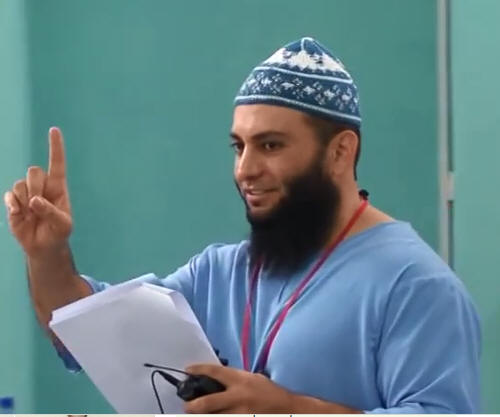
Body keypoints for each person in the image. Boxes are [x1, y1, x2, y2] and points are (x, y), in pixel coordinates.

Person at [4, 37, 480, 414]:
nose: (245, 169)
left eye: (270, 146)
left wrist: (289, 409)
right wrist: (46, 255)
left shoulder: (414, 286)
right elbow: (87, 333)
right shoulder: (221, 273)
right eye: (239, 146)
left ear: (340, 152)